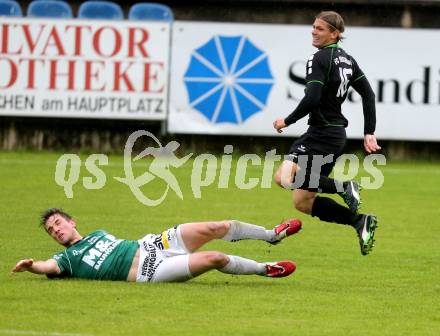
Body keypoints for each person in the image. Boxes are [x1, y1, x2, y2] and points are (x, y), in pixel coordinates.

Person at [272, 11, 381, 255]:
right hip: (335, 136)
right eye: (313, 27)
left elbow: (312, 97)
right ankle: (360, 222)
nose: (313, 31)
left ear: (335, 34)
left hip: (320, 134)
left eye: (320, 28)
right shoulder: (348, 60)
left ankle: (343, 186)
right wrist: (369, 132)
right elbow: (369, 94)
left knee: (284, 178)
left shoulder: (319, 58)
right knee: (303, 201)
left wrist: (286, 121)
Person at [12, 208, 302, 282]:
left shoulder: (98, 232)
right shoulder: (67, 260)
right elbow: (48, 266)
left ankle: (271, 234)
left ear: (72, 221)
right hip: (151, 272)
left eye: (58, 224)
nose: (56, 231)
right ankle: (266, 269)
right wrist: (31, 266)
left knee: (218, 227)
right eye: (51, 231)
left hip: (154, 244)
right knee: (214, 258)